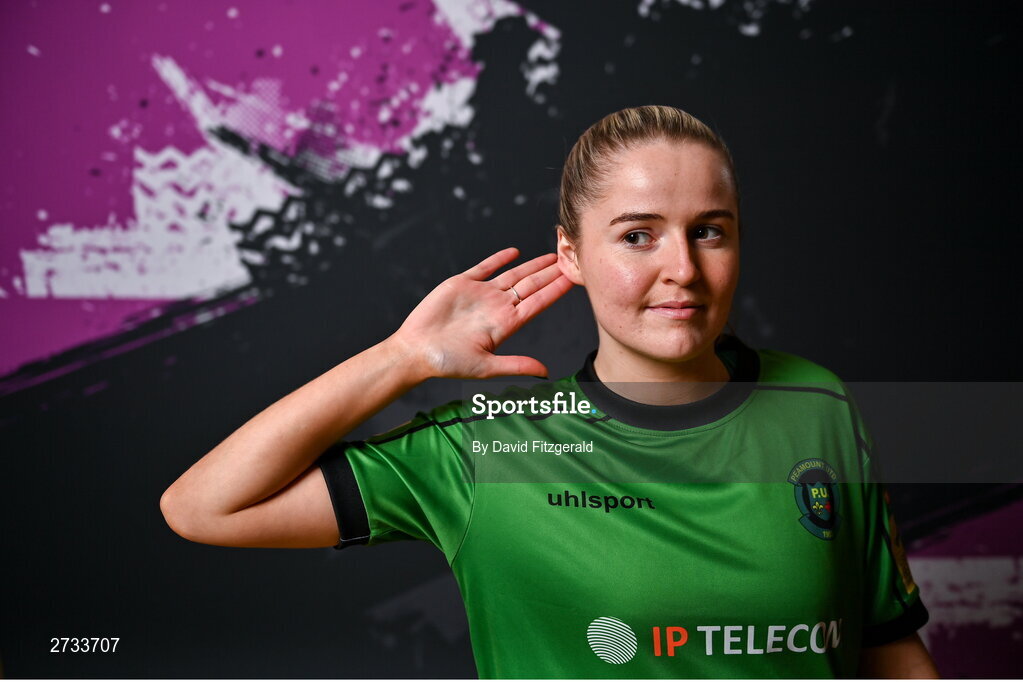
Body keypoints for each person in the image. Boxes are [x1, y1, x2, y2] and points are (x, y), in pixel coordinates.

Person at [161, 105, 939, 678]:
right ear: (570, 254)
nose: (683, 270)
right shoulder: (495, 444)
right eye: (637, 234)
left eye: (709, 230)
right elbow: (204, 506)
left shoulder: (816, 402)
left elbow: (885, 646)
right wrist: (401, 358)